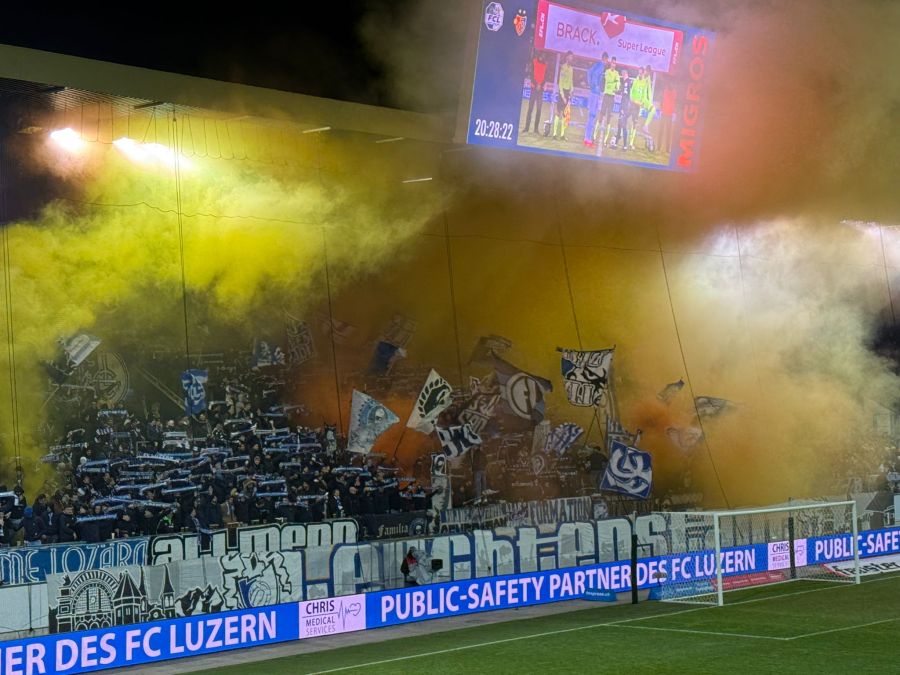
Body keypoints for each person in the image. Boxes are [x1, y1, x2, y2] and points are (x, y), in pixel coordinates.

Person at [583, 53, 609, 147]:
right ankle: (588, 140)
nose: (607, 62)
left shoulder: (597, 64)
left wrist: (590, 84)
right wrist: (595, 86)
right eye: (607, 60)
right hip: (595, 93)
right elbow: (594, 74)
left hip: (592, 92)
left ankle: (586, 138)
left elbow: (589, 72)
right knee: (592, 116)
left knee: (591, 116)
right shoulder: (601, 66)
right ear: (605, 59)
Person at [597, 56, 621, 146]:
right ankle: (594, 136)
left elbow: (618, 86)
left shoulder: (617, 73)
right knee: (601, 115)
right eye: (612, 63)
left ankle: (605, 140)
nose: (613, 65)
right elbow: (609, 81)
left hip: (612, 97)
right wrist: (615, 83)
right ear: (610, 63)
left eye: (615, 63)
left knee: (609, 118)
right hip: (606, 95)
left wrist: (615, 84)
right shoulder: (607, 71)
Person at [552, 52, 575, 141]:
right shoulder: (563, 67)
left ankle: (562, 135)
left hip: (567, 92)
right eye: (570, 57)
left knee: (565, 114)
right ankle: (554, 134)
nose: (571, 59)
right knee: (558, 113)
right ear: (567, 58)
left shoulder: (571, 69)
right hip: (562, 92)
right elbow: (560, 83)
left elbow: (571, 81)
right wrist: (562, 96)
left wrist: (572, 90)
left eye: (572, 57)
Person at [524, 51, 548, 133]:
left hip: (540, 89)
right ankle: (526, 128)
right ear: (539, 55)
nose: (543, 57)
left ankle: (536, 129)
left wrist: (541, 85)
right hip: (534, 88)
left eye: (544, 56)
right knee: (530, 108)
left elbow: (545, 76)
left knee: (539, 109)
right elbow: (531, 74)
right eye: (542, 55)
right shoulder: (534, 62)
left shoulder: (545, 64)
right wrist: (536, 84)